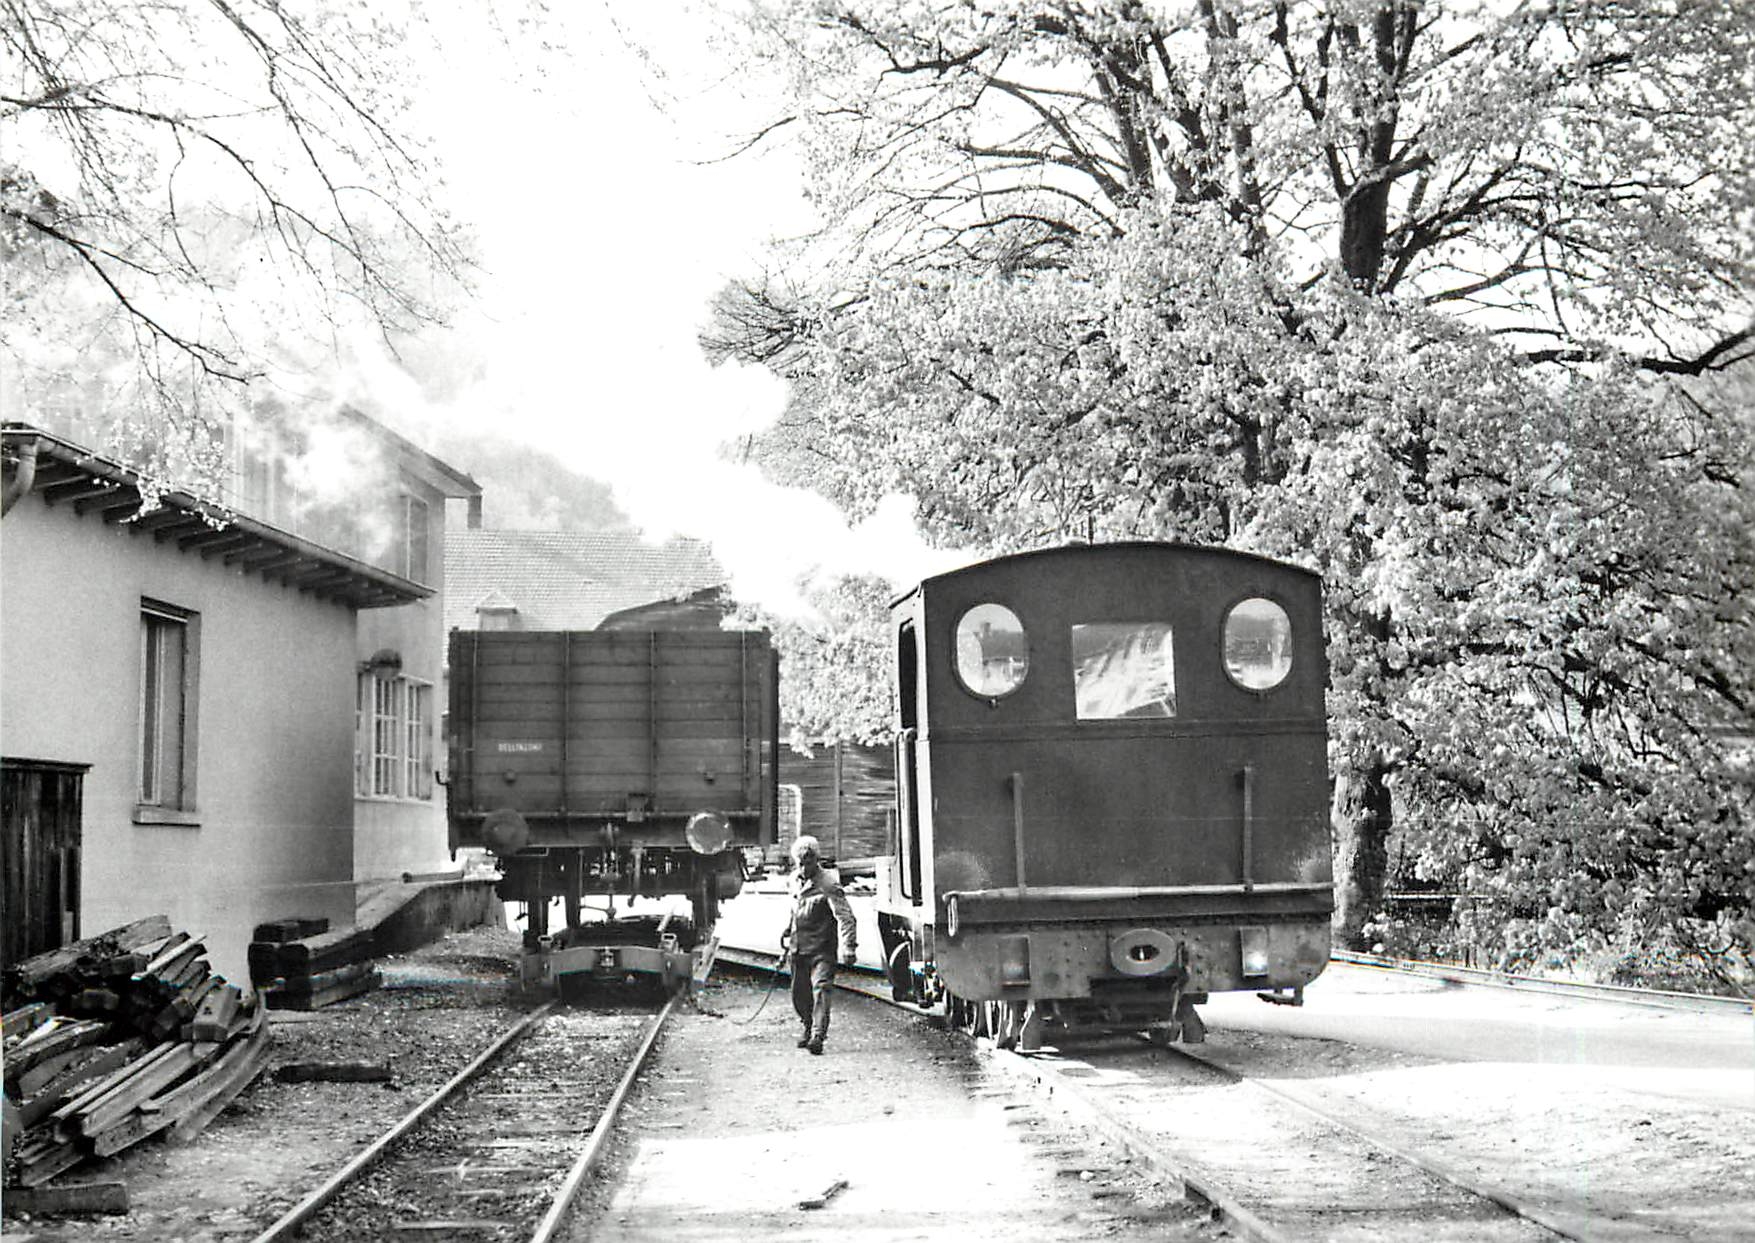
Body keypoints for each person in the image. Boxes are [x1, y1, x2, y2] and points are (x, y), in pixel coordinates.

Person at [783, 835, 857, 1055]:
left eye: (807, 862)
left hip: (822, 949)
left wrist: (849, 946)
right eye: (800, 863)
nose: (803, 868)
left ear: (816, 860)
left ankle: (818, 1036)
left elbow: (846, 917)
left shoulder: (829, 884)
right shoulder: (793, 880)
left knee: (821, 989)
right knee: (799, 994)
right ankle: (807, 1026)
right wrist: (788, 930)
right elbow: (794, 908)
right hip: (798, 948)